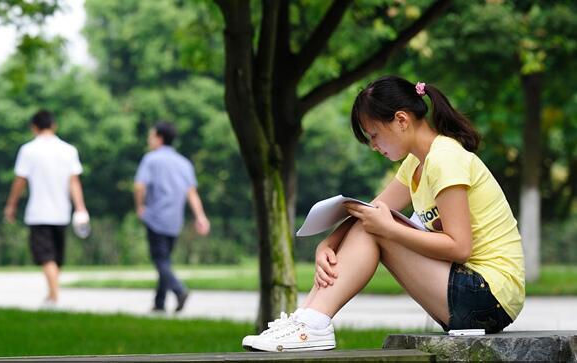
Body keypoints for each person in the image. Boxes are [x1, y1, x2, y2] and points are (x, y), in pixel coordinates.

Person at [243, 75, 525, 352]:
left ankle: (313, 324)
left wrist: (390, 230)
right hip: (468, 293)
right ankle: (306, 319)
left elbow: (460, 247)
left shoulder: (444, 158)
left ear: (401, 120)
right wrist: (327, 243)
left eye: (375, 135)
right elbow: (370, 211)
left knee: (377, 227)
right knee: (373, 222)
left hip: (488, 297)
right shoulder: (417, 162)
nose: (374, 146)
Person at [4, 109, 88, 307]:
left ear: (34, 127)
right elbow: (74, 182)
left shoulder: (28, 150)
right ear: (54, 125)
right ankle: (52, 295)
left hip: (38, 213)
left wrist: (11, 205)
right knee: (55, 258)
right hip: (62, 212)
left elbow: (19, 181)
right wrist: (81, 208)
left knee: (46, 257)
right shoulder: (69, 150)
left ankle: (54, 297)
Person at [134, 121, 210, 313]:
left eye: (151, 136)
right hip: (175, 220)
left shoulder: (151, 159)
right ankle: (159, 303)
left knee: (160, 261)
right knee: (165, 259)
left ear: (159, 138)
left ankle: (179, 290)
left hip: (156, 217)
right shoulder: (184, 162)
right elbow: (191, 193)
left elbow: (139, 186)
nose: (149, 140)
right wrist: (200, 216)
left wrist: (140, 206)